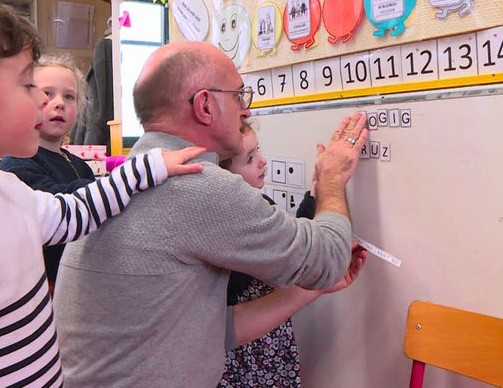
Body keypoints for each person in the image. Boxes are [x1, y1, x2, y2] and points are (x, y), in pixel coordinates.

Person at [0, 0, 203, 387]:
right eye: (29, 84)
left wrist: (148, 167)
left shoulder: (9, 190)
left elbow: (77, 211)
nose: (44, 100)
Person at [54, 41, 368, 387]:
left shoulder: (129, 177)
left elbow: (204, 329)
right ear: (205, 105)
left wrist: (305, 291)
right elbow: (326, 260)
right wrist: (331, 179)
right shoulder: (198, 184)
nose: (246, 111)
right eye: (239, 96)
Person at [219, 122, 367, 387]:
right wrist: (329, 184)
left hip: (267, 340)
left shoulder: (258, 209)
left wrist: (315, 193)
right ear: (225, 179)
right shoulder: (238, 221)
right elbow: (290, 257)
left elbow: (291, 244)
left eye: (259, 151)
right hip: (248, 351)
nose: (263, 161)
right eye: (250, 159)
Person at [0, 53, 95, 294]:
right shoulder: (17, 163)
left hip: (81, 279)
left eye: (69, 96)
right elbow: (55, 203)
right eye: (48, 94)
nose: (59, 103)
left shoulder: (78, 164)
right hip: (46, 289)